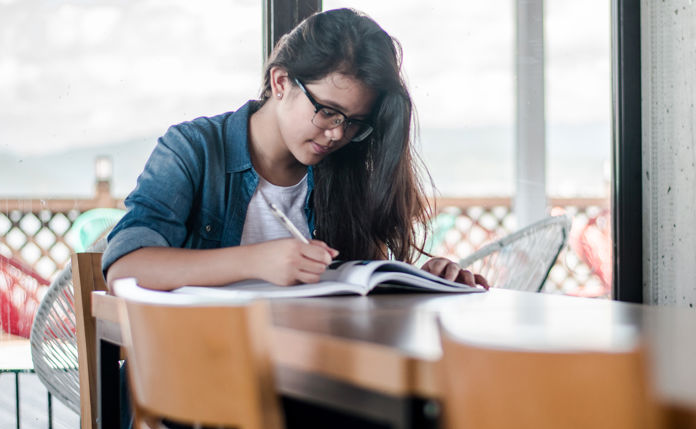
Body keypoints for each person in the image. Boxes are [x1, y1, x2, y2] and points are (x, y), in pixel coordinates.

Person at [103, 8, 488, 290]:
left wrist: (425, 280)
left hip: (303, 371)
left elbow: (361, 287)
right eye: (328, 112)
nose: (338, 134)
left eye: (354, 122)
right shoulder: (194, 149)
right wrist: (257, 260)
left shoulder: (344, 168)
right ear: (282, 81)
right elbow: (125, 266)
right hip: (193, 372)